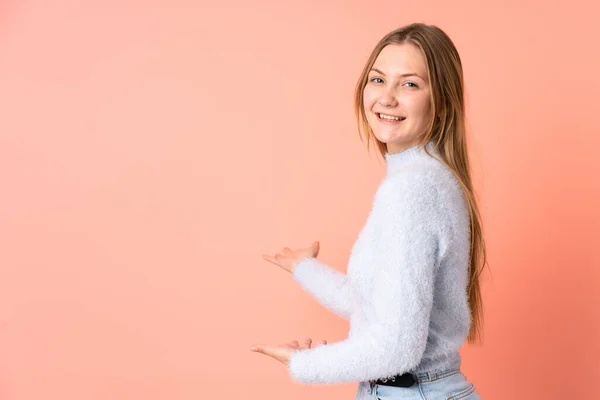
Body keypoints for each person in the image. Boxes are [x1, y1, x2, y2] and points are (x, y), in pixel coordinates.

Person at [251, 22, 487, 400]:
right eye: (378, 80)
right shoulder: (432, 178)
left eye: (409, 84)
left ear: (441, 102)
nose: (387, 98)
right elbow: (379, 306)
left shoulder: (411, 190)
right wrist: (305, 269)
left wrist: (305, 364)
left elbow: (396, 348)